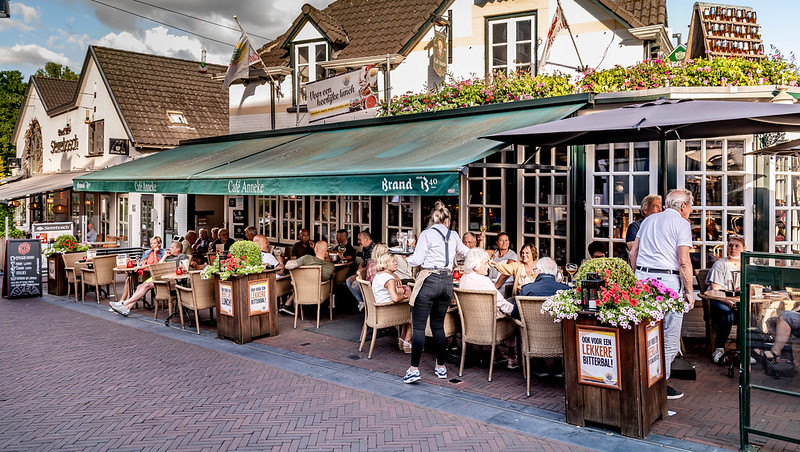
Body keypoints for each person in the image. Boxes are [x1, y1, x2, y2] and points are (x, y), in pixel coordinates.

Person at [629, 188, 694, 401]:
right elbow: (683, 261)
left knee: (644, 331)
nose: (691, 211)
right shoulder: (682, 224)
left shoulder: (648, 221)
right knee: (669, 336)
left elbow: (633, 252)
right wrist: (689, 291)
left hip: (642, 279)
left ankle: (639, 380)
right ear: (683, 206)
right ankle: (659, 385)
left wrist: (637, 276)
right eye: (691, 206)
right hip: (668, 280)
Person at [402, 201, 468, 384]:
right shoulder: (453, 235)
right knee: (438, 326)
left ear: (432, 219)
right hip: (447, 283)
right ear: (447, 220)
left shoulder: (427, 234)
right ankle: (441, 367)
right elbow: (465, 253)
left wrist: (406, 258)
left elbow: (418, 259)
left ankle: (414, 369)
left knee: (419, 327)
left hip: (429, 281)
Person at [518, 257, 569, 377]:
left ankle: (538, 366)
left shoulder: (527, 290)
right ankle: (557, 367)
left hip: (533, 340)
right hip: (559, 340)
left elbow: (516, 314)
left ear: (539, 271)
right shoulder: (566, 290)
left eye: (535, 270)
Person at [110, 241, 188, 316]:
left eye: (172, 247)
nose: (170, 248)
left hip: (169, 280)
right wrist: (165, 256)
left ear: (178, 249)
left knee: (146, 286)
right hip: (160, 277)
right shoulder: (168, 256)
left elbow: (184, 267)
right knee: (140, 286)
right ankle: (127, 308)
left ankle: (124, 303)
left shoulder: (183, 256)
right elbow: (159, 266)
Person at [706, 235, 745, 363]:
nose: (733, 248)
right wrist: (729, 302)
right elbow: (716, 290)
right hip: (720, 300)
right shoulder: (720, 265)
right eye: (730, 245)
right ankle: (719, 349)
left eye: (736, 246)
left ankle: (742, 351)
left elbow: (751, 288)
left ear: (743, 249)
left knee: (748, 316)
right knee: (726, 314)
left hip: (738, 301)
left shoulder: (746, 266)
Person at [371, 253, 413, 353]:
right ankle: (407, 341)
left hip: (379, 309)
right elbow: (395, 298)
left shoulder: (378, 275)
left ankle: (402, 339)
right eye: (393, 262)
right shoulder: (390, 279)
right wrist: (406, 296)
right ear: (385, 265)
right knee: (414, 311)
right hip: (387, 312)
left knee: (408, 309)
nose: (396, 263)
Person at [283, 241, 335, 315]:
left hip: (301, 292)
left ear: (316, 249)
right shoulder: (330, 266)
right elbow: (333, 280)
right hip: (320, 294)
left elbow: (288, 266)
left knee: (299, 282)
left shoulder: (307, 258)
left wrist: (290, 261)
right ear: (326, 252)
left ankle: (288, 305)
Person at [346, 243, 389, 311]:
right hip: (378, 294)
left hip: (375, 291)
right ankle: (362, 302)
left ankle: (362, 302)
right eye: (387, 253)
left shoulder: (373, 264)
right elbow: (378, 284)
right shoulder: (376, 266)